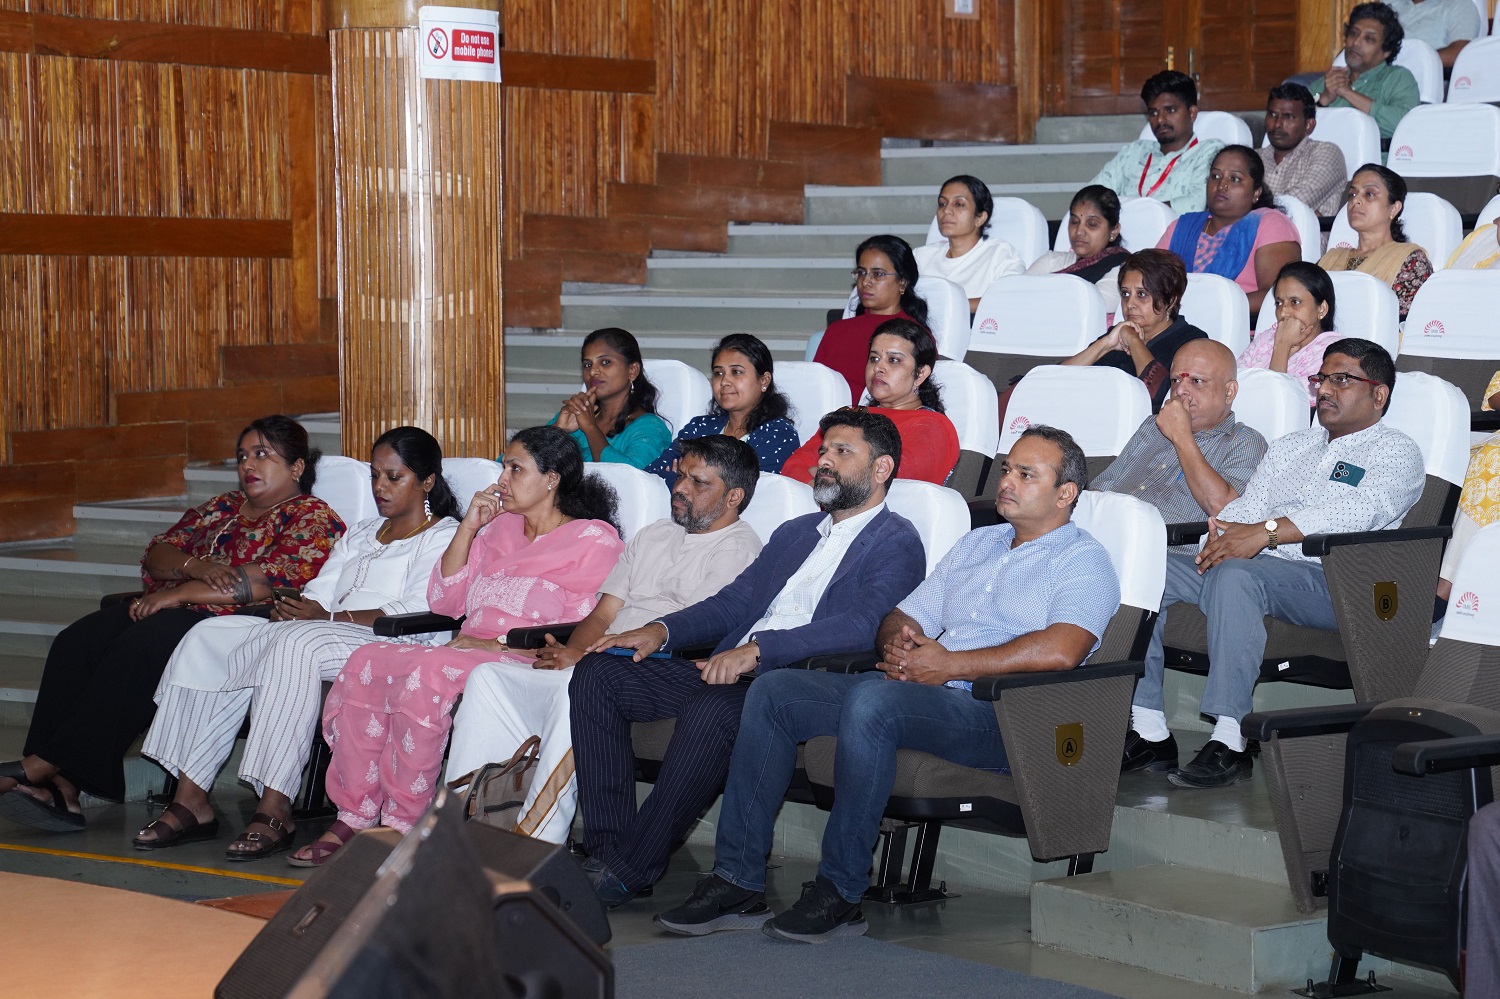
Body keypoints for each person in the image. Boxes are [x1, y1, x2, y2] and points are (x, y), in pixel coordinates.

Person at [653, 426, 1120, 942]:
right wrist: (902, 648)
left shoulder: (1083, 559)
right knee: (776, 691)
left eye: (1026, 474)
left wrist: (950, 665)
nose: (1006, 481)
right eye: (1007, 468)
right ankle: (736, 879)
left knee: (875, 702)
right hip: (928, 695)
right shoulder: (978, 543)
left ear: (1065, 493)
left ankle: (840, 890)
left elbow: (1063, 649)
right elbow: (905, 614)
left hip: (1003, 715)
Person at [569, 408, 926, 908]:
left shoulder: (896, 541)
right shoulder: (796, 532)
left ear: (881, 468)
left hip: (793, 682)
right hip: (730, 669)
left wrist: (760, 650)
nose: (823, 460)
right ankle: (608, 852)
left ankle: (630, 868)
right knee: (598, 672)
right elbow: (734, 603)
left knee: (713, 708)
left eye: (842, 452)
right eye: (824, 450)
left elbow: (862, 625)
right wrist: (661, 630)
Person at [289, 425, 623, 866]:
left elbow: (582, 626)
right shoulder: (498, 528)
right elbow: (445, 602)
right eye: (503, 466)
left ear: (552, 479)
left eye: (515, 469)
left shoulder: (593, 539)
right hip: (465, 651)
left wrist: (495, 644)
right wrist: (468, 527)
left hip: (522, 661)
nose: (502, 479)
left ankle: (404, 821)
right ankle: (355, 813)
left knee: (427, 673)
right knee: (367, 657)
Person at [0, 416, 344, 832]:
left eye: (261, 455)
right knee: (77, 641)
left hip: (235, 625)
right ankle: (60, 789)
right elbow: (158, 553)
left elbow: (268, 581)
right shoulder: (223, 507)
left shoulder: (312, 516)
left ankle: (46, 766)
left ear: (296, 467)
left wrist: (179, 593)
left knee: (141, 646)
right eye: (241, 456)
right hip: (174, 606)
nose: (247, 465)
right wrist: (194, 566)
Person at [132, 427, 461, 857]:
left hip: (391, 642)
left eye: (393, 477)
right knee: (209, 636)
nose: (380, 487)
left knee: (296, 644)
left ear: (427, 481)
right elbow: (320, 591)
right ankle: (190, 799)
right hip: (324, 630)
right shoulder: (362, 532)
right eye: (374, 476)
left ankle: (275, 807)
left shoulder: (444, 535)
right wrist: (297, 607)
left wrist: (325, 618)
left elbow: (415, 608)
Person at [1127, 339, 1425, 788]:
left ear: (1378, 393)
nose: (1325, 389)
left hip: (1334, 580)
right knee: (1149, 571)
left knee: (1237, 574)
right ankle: (1149, 727)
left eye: (1341, 379)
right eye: (1321, 379)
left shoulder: (1395, 452)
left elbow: (1357, 513)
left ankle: (1231, 739)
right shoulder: (1291, 447)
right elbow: (1247, 509)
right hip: (1259, 567)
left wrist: (1264, 533)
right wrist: (1222, 537)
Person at [444, 435, 764, 844]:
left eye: (697, 482)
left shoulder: (739, 549)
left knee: (580, 686)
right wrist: (574, 651)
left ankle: (535, 840)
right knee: (489, 679)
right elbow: (603, 613)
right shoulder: (654, 534)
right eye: (680, 475)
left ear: (734, 496)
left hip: (664, 666)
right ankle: (462, 823)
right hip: (603, 658)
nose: (680, 487)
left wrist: (586, 659)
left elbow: (699, 628)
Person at [1093, 339, 1268, 560]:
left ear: (1229, 391)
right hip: (1104, 538)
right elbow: (1102, 487)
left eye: (1197, 381)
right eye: (1175, 380)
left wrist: (1181, 436)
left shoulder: (1245, 442)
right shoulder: (1153, 426)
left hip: (1165, 556)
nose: (1181, 390)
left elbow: (1228, 512)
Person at [782, 318, 960, 485]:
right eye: (874, 358)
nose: (878, 367)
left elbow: (883, 481)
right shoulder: (849, 416)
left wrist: (821, 476)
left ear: (920, 373)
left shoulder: (932, 426)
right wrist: (821, 488)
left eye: (894, 360)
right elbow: (793, 466)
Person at [1157, 145, 1302, 313]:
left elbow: (1278, 295)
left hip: (1242, 324)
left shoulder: (1270, 224)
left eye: (1235, 179)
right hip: (1175, 322)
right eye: (1215, 176)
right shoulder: (1181, 227)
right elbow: (1150, 281)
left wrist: (1208, 309)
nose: (1221, 185)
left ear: (1256, 192)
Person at [1062, 248, 1208, 411]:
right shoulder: (1116, 335)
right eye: (1125, 294)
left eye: (1141, 294)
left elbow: (1159, 396)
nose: (1130, 304)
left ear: (1170, 300)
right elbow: (1055, 380)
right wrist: (1105, 344)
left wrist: (1133, 341)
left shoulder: (1191, 341)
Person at [645, 334, 799, 486]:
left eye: (736, 372)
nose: (724, 381)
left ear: (764, 380)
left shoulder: (778, 434)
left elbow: (751, 491)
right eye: (718, 373)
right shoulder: (700, 427)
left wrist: (681, 477)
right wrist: (700, 482)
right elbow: (651, 477)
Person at [1090, 70, 1225, 215]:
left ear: (1192, 113)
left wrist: (1137, 213)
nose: (1160, 119)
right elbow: (1091, 196)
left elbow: (1197, 203)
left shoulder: (1209, 152)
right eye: (1153, 113)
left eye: (1170, 110)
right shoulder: (1134, 151)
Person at [813, 235, 929, 403]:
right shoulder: (837, 330)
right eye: (861, 273)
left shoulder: (914, 336)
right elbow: (815, 385)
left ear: (902, 282)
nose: (865, 282)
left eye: (878, 274)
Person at [1318, 164, 1432, 320]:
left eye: (1369, 194)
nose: (1356, 200)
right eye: (1352, 194)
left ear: (1394, 208)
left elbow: (1408, 321)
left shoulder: (1409, 260)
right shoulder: (1330, 258)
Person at [549, 327, 672, 468]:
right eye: (587, 364)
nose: (593, 372)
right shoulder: (574, 415)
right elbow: (531, 464)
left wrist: (590, 428)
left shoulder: (649, 427)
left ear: (632, 371)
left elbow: (629, 474)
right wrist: (558, 429)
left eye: (605, 362)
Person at [912, 174, 1025, 312]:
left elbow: (1011, 298)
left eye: (959, 204)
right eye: (942, 204)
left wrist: (944, 306)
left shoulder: (1000, 255)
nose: (946, 210)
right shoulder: (920, 256)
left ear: (980, 218)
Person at [1239, 261, 1347, 405]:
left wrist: (1282, 347)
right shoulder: (1266, 338)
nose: (1283, 312)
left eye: (1295, 302)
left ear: (1321, 309)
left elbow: (1283, 405)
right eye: (1279, 303)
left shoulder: (1334, 353)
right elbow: (1235, 383)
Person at [1310, 3, 1421, 142]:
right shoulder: (1327, 82)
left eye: (1369, 39)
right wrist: (1323, 101)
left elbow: (1407, 126)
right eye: (1354, 33)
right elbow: (1293, 127)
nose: (1356, 42)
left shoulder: (1398, 78)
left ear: (1386, 51)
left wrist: (1347, 93)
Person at [1025, 184, 1133, 316]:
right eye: (1075, 222)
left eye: (1092, 224)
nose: (1079, 231)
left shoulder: (1124, 270)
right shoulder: (1051, 260)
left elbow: (1091, 304)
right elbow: (1018, 292)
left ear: (1114, 231)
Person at [1258, 83, 1349, 217]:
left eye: (1288, 116)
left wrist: (1250, 207)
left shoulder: (1326, 153)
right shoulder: (1254, 157)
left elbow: (1291, 205)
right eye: (1272, 114)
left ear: (1308, 125)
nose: (1277, 124)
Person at [1386, 0, 1481, 68]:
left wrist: (1410, 62)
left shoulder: (1459, 4)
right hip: (1380, 73)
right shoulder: (1389, 3)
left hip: (1416, 79)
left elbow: (1459, 53)